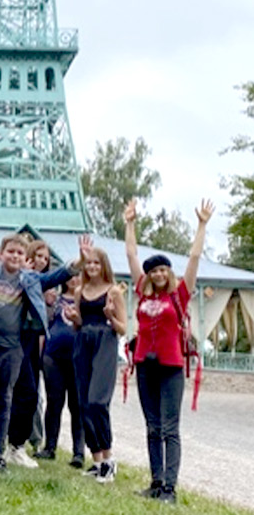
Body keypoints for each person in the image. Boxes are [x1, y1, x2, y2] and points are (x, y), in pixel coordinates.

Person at [125, 198, 213, 504]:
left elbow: (194, 257)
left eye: (163, 269)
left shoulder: (180, 294)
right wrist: (130, 223)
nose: (159, 274)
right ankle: (156, 481)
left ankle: (170, 489)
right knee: (152, 426)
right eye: (154, 271)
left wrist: (201, 225)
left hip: (171, 367)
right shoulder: (141, 290)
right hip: (145, 365)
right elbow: (131, 254)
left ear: (168, 273)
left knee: (169, 427)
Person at [0, 233, 76, 472]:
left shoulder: (31, 279)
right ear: (1, 253)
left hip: (18, 344)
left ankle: (13, 447)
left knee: (23, 395)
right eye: (10, 251)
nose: (14, 256)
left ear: (25, 258)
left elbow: (56, 276)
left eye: (19, 253)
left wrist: (77, 264)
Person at [66, 237, 127, 484]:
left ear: (104, 266)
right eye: (88, 263)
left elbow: (123, 328)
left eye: (96, 263)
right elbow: (79, 320)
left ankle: (109, 458)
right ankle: (97, 460)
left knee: (97, 401)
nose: (91, 267)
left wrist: (111, 315)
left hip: (105, 342)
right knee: (82, 403)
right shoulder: (80, 291)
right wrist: (73, 316)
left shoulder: (113, 291)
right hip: (83, 342)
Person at [37, 272, 85, 468]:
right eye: (71, 276)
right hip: (53, 356)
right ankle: (49, 447)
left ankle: (79, 452)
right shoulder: (55, 300)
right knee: (54, 402)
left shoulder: (87, 302)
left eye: (78, 277)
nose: (74, 280)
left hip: (78, 358)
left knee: (77, 406)